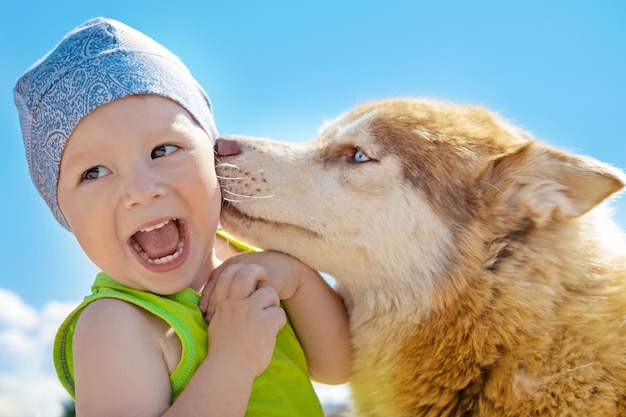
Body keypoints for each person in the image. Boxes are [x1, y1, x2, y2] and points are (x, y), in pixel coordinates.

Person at [13, 17, 351, 416]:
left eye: (162, 150)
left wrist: (293, 277)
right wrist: (232, 362)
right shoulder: (115, 324)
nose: (141, 190)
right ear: (62, 213)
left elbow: (339, 365)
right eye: (94, 173)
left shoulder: (253, 267)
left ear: (212, 154)